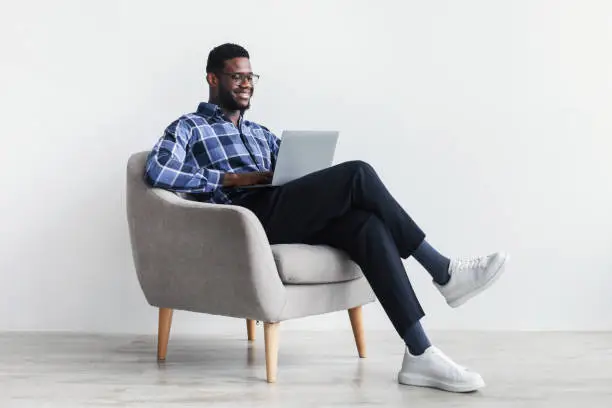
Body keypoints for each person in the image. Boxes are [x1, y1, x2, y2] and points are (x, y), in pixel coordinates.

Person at [144, 43, 509, 393]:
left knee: (367, 226)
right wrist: (230, 178)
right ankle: (442, 271)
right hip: (245, 217)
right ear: (212, 79)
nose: (246, 84)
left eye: (251, 77)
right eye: (237, 76)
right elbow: (157, 170)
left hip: (282, 207)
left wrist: (303, 177)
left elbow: (294, 176)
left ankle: (419, 353)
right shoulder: (190, 127)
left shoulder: (260, 133)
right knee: (357, 174)